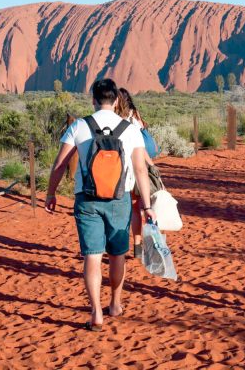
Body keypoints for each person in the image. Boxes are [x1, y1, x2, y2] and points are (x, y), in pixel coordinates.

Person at [44, 78, 156, 332]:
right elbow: (140, 169)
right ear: (116, 100)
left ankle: (96, 312)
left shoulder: (79, 127)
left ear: (93, 99)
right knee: (117, 254)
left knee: (92, 255)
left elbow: (60, 165)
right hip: (120, 199)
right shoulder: (130, 129)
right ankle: (115, 303)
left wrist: (50, 193)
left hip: (87, 199)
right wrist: (147, 206)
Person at [116, 87, 154, 258]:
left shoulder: (114, 119)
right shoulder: (135, 116)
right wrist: (151, 166)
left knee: (124, 208)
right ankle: (138, 246)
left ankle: (119, 246)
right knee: (137, 208)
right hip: (138, 166)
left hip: (119, 167)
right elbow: (142, 145)